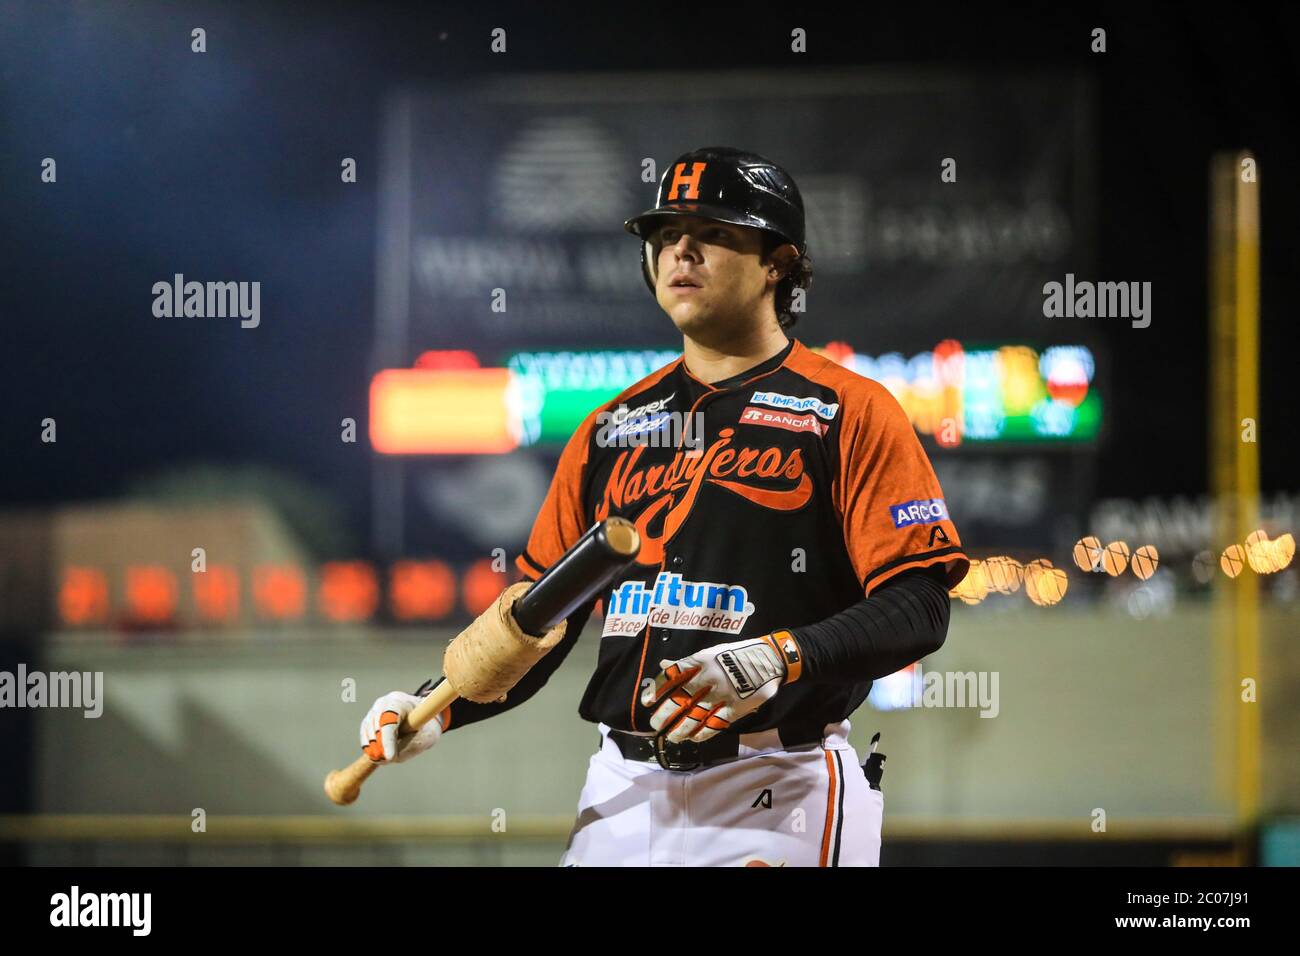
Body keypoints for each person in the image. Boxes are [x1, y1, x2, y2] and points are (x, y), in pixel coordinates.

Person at [361, 146, 969, 866]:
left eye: (714, 231)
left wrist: (779, 658)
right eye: (665, 234)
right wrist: (436, 707)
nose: (681, 248)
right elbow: (534, 625)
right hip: (620, 790)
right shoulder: (608, 429)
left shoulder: (851, 408)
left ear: (779, 263)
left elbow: (920, 605)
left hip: (778, 786)